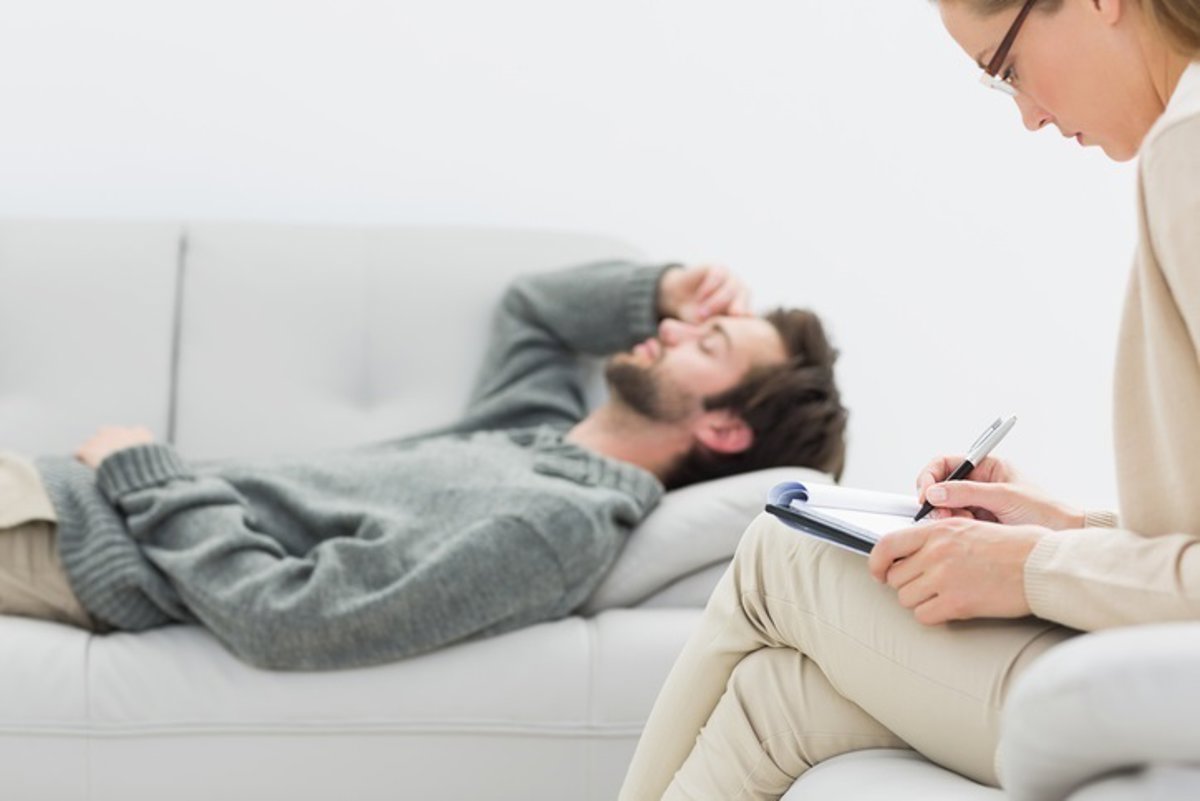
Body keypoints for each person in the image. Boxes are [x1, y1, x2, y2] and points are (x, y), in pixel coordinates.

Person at [618, 1, 1200, 799]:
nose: (1029, 115)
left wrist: (1029, 566)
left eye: (1007, 69)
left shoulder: (1188, 148)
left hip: (1169, 681)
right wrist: (1065, 526)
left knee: (778, 554)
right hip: (1164, 657)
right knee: (775, 700)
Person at [0, 259, 848, 671]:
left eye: (706, 343)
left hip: (71, 538)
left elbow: (293, 620)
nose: (667, 332)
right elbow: (534, 310)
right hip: (62, 500)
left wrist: (147, 475)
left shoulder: (555, 525)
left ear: (726, 428)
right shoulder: (530, 432)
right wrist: (664, 287)